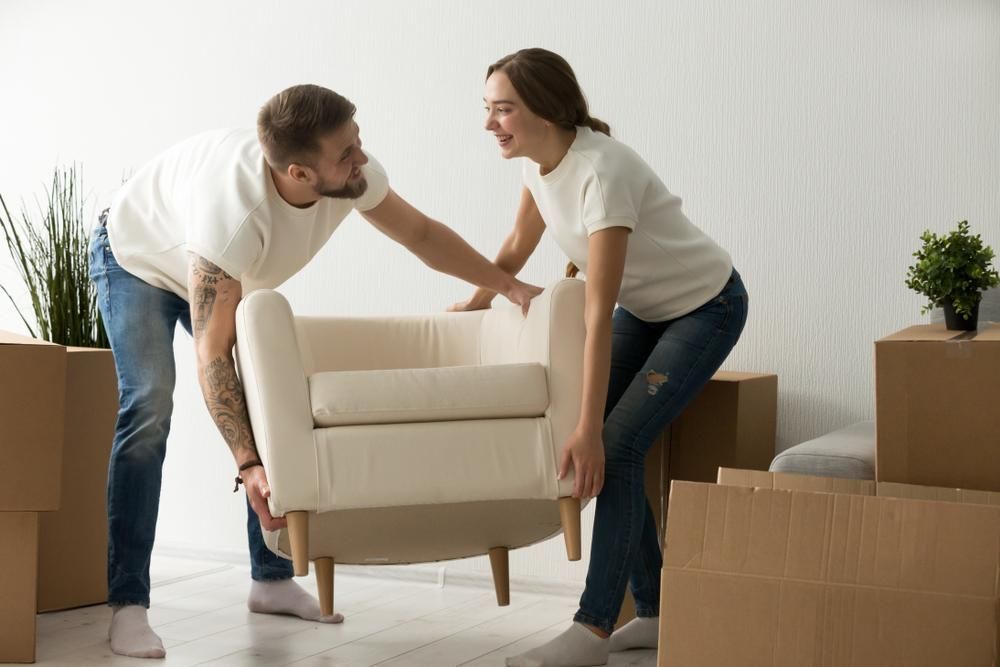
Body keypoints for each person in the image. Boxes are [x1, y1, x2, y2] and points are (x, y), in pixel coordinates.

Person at [89, 83, 542, 659]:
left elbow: (421, 235)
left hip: (219, 272)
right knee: (149, 405)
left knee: (272, 401)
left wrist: (506, 285)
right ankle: (128, 605)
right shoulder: (232, 216)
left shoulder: (350, 174)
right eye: (346, 153)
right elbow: (212, 354)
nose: (361, 160)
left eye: (357, 142)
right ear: (300, 174)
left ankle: (270, 579)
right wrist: (248, 465)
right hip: (138, 259)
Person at [451, 49, 748, 667]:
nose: (490, 124)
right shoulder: (538, 164)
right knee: (605, 441)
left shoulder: (601, 172)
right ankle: (659, 611)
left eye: (503, 109)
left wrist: (588, 430)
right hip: (646, 311)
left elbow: (595, 310)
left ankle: (591, 632)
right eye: (488, 109)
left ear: (547, 108)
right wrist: (474, 304)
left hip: (705, 306)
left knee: (613, 443)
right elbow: (513, 247)